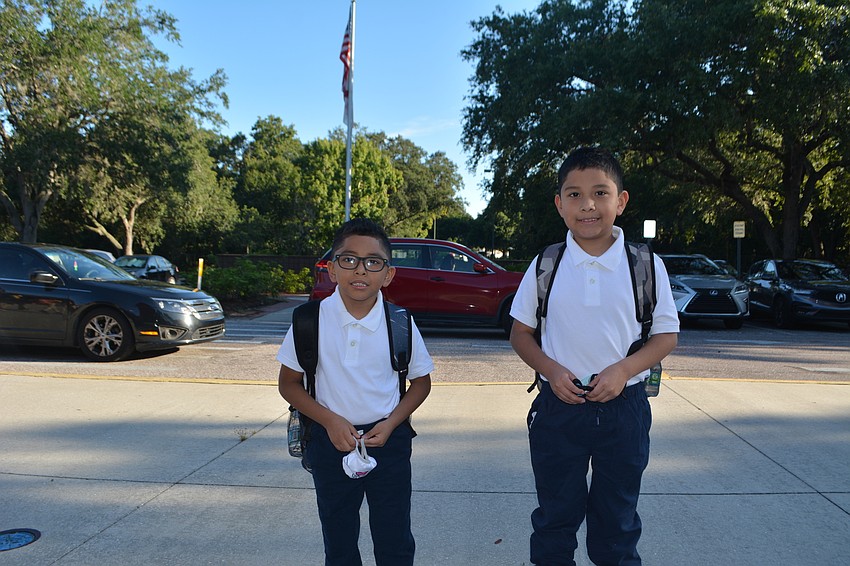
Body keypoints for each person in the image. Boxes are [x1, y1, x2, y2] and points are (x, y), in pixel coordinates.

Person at [509, 147, 679, 565]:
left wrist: (623, 370)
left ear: (621, 201)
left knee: (617, 522)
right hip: (558, 410)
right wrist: (550, 369)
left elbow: (665, 336)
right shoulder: (547, 263)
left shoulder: (645, 265)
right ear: (559, 205)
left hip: (624, 411)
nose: (587, 204)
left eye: (600, 193)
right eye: (574, 194)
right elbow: (520, 333)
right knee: (555, 518)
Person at [277, 218, 433, 566]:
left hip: (388, 441)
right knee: (339, 541)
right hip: (329, 441)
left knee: (394, 539)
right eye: (349, 259)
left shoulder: (400, 322)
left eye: (373, 261)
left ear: (388, 274)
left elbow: (421, 383)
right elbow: (288, 383)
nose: (360, 270)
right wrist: (329, 421)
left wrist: (392, 423)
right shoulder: (309, 320)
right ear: (332, 268)